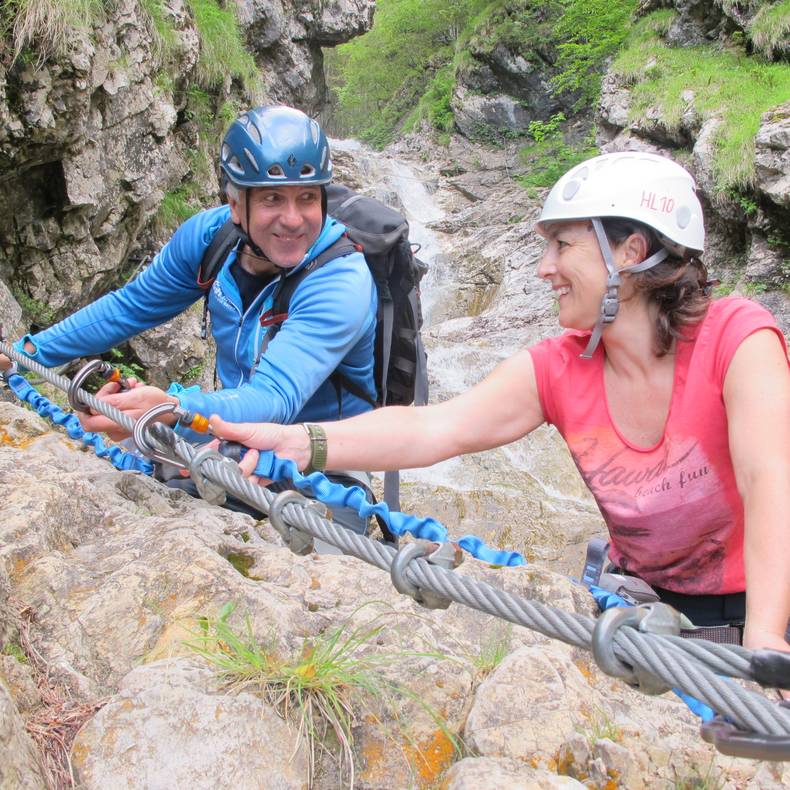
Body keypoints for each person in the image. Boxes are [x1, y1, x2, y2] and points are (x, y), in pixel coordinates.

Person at [211, 151, 790, 658]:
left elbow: (770, 479)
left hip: (765, 614)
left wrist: (765, 635)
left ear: (631, 252)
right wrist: (299, 441)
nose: (544, 268)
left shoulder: (738, 337)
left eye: (563, 245)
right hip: (639, 615)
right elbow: (435, 428)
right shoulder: (559, 367)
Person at [0, 105, 378, 534]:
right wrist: (24, 354)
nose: (293, 219)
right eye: (273, 198)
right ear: (236, 204)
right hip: (229, 435)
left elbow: (275, 398)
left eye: (307, 197)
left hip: (324, 466)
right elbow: (130, 307)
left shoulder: (341, 280)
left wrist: (173, 408)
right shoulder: (209, 240)